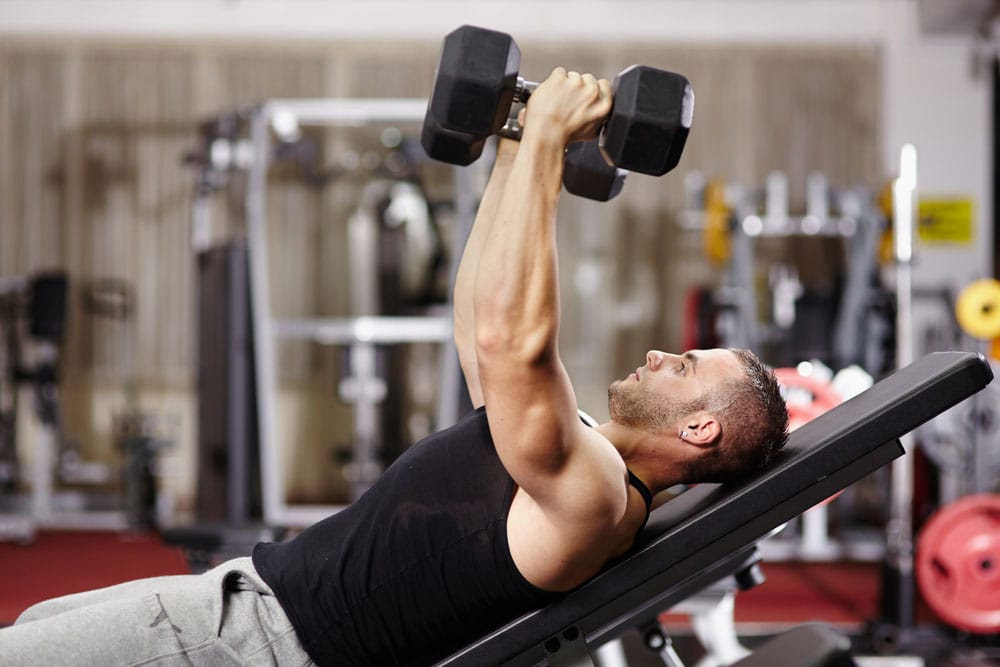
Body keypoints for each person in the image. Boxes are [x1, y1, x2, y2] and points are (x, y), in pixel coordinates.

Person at [0, 68, 788, 666]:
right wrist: (516, 146)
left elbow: (513, 344)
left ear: (699, 425)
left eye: (684, 365)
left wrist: (550, 146)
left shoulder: (593, 497)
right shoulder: (574, 450)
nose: (659, 353)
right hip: (235, 604)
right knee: (29, 631)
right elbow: (480, 319)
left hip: (249, 644)